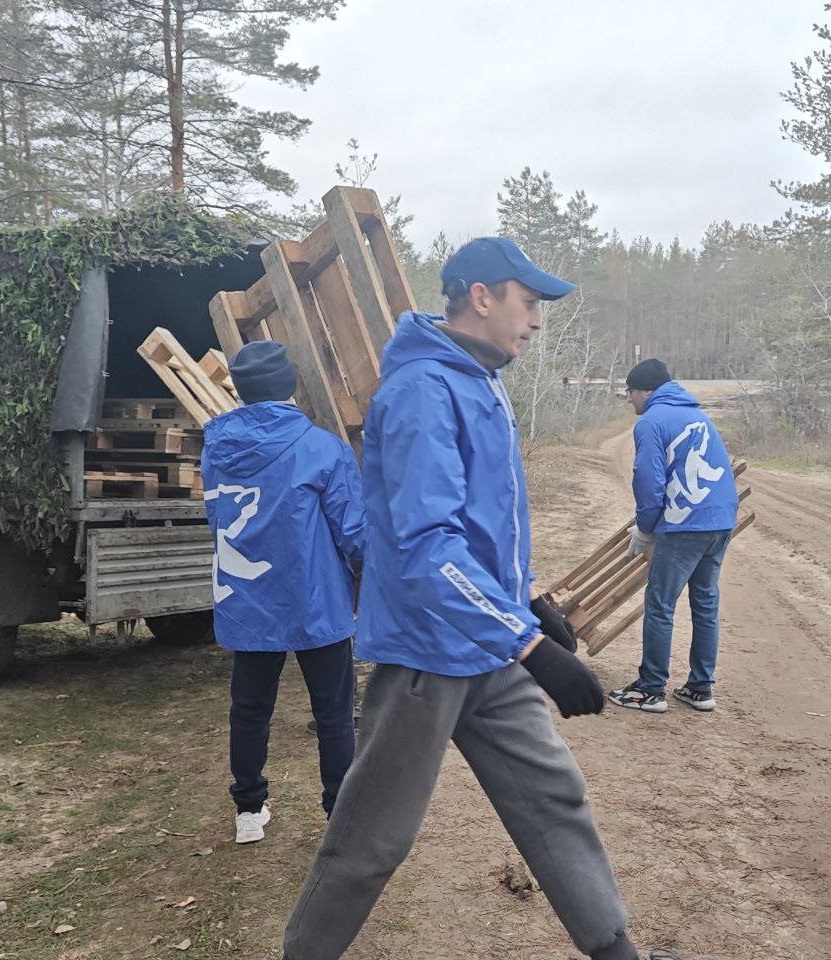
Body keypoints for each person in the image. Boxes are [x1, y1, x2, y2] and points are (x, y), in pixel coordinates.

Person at [280, 238, 701, 960]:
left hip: (490, 648)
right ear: (481, 297)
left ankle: (617, 953)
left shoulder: (480, 380)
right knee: (372, 839)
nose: (536, 320)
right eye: (528, 303)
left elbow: (478, 527)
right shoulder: (422, 391)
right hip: (427, 657)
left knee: (553, 798)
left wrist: (526, 604)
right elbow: (425, 549)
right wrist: (529, 644)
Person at [200, 340, 366, 844]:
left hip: (246, 599)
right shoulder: (322, 448)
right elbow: (354, 533)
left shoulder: (216, 449)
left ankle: (249, 811)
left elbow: (218, 518)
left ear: (241, 390)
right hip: (316, 601)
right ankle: (342, 814)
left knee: (249, 709)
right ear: (290, 385)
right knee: (333, 713)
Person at [608, 359, 738, 714]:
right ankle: (700, 688)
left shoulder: (652, 421)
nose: (628, 399)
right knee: (705, 603)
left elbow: (647, 479)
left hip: (685, 524)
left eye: (630, 392)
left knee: (660, 603)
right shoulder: (698, 416)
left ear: (646, 391)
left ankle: (650, 689)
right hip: (720, 520)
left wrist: (646, 528)